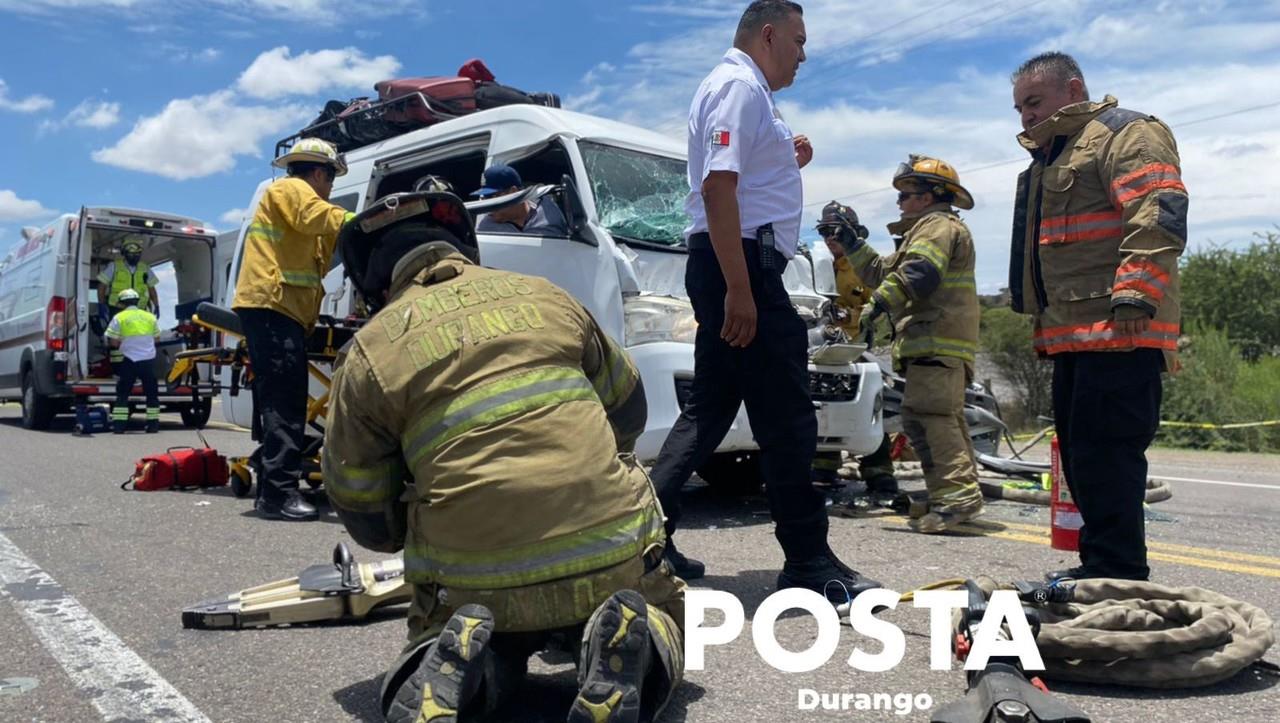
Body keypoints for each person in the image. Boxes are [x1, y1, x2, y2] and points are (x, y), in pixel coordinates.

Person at [323, 189, 684, 723]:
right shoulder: (548, 296)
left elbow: (361, 503)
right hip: (608, 552)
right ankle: (632, 650)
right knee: (661, 612)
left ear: (373, 282)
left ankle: (465, 667)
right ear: (461, 244)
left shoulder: (367, 354)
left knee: (474, 629)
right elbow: (628, 410)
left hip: (475, 577)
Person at [645, 0, 882, 602]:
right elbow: (718, 188)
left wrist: (785, 156)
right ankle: (808, 562)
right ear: (768, 34)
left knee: (709, 410)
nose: (804, 54)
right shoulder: (737, 86)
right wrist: (742, 293)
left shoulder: (745, 91)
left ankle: (644, 542)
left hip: (734, 263)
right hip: (741, 266)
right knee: (788, 420)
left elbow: (739, 178)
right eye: (799, 41)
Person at [1009, 52, 1187, 581]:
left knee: (1107, 455)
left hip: (1120, 329)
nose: (1025, 116)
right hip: (1074, 335)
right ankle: (1103, 565)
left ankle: (1118, 570)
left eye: (1034, 102)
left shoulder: (1126, 133)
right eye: (1019, 107)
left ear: (1074, 89)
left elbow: (1158, 209)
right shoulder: (1056, 155)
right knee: (1084, 459)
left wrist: (1135, 293)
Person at [831, 158, 984, 533]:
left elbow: (919, 273)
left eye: (906, 195)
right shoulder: (925, 230)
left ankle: (956, 501)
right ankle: (947, 494)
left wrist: (877, 305)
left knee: (934, 418)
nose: (899, 202)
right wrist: (853, 243)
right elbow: (886, 272)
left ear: (931, 196)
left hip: (937, 340)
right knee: (925, 418)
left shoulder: (937, 226)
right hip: (929, 342)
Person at [232, 137, 354, 522]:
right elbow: (321, 218)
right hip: (272, 305)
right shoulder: (291, 189)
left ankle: (272, 474)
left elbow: (332, 239)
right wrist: (370, 220)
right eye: (331, 181)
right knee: (285, 401)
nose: (330, 191)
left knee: (281, 399)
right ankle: (277, 496)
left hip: (281, 309)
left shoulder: (296, 202)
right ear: (319, 173)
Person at [812, 202, 898, 495]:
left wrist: (849, 316)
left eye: (835, 231)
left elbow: (883, 304)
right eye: (824, 231)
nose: (829, 238)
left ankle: (880, 473)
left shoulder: (866, 267)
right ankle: (823, 469)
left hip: (856, 348)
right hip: (821, 347)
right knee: (823, 406)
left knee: (871, 406)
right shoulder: (816, 264)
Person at [97, 236, 159, 366]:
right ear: (124, 253)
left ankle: (136, 367)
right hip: (118, 307)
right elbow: (102, 286)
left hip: (139, 309)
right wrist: (102, 304)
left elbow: (152, 289)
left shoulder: (144, 268)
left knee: (137, 338)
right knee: (116, 339)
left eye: (137, 254)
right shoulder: (114, 267)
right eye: (131, 254)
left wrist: (156, 305)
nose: (134, 257)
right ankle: (118, 369)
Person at [105, 288, 160, 434]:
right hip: (148, 361)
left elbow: (113, 343)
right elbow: (157, 339)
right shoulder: (150, 317)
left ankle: (119, 426)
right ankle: (153, 425)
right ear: (137, 301)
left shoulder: (119, 317)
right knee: (152, 394)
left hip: (129, 360)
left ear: (122, 303)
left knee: (123, 394)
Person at [471, 163, 569, 235]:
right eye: (484, 198)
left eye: (491, 197)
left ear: (513, 192)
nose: (487, 205)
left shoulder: (548, 211)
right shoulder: (486, 228)